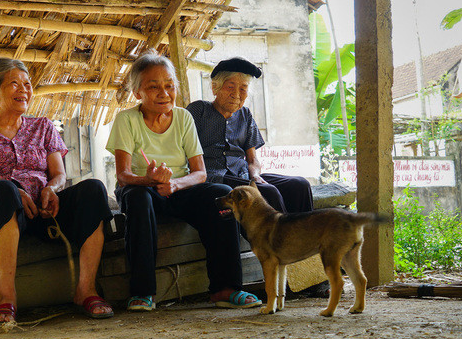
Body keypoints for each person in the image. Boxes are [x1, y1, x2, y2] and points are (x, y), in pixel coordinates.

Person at [0, 58, 114, 325]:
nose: (24, 90)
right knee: (5, 188)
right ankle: (6, 296)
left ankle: (86, 289)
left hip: (41, 212)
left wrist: (51, 188)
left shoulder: (43, 127)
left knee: (94, 189)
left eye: (27, 84)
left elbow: (60, 174)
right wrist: (14, 192)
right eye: (14, 84)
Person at [105, 50, 261, 311]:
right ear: (137, 93)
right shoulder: (127, 119)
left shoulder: (183, 117)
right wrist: (149, 179)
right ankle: (142, 292)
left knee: (221, 195)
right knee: (138, 199)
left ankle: (226, 288)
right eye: (153, 87)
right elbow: (123, 176)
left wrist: (175, 184)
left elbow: (199, 173)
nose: (163, 93)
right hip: (141, 188)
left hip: (179, 187)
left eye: (169, 86)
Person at [186, 57, 313, 214]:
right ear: (215, 88)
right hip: (215, 178)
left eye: (243, 89)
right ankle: (284, 237)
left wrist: (255, 176)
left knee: (299, 185)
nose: (236, 94)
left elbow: (252, 160)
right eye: (230, 87)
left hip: (244, 176)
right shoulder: (199, 110)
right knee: (268, 192)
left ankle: (306, 234)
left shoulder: (245, 115)